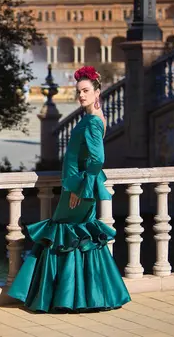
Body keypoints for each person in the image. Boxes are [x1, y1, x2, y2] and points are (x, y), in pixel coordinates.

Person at [8, 65, 131, 313]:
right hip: (77, 187)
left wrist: (78, 189)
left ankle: (62, 297)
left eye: (86, 91)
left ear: (98, 92)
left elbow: (97, 160)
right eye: (79, 92)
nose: (81, 96)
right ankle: (84, 296)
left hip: (79, 189)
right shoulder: (89, 118)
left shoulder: (94, 122)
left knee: (63, 237)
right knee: (75, 239)